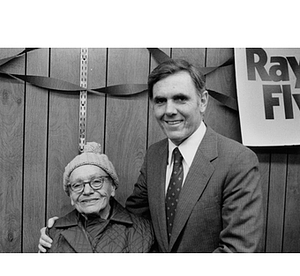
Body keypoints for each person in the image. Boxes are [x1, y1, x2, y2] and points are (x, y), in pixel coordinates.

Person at [39, 58, 264, 253]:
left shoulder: (238, 161)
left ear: (203, 101)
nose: (169, 110)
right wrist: (68, 228)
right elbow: (132, 220)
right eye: (160, 101)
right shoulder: (155, 155)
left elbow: (237, 252)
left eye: (180, 98)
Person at [42, 142, 154, 253]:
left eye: (96, 182)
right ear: (71, 196)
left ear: (112, 187)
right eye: (77, 185)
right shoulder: (53, 234)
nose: (87, 191)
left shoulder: (145, 232)